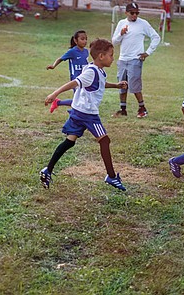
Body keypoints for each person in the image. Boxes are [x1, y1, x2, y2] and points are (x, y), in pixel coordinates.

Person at [40, 38, 128, 191]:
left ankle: (47, 170)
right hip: (88, 114)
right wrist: (54, 94)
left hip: (78, 111)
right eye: (111, 55)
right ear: (101, 56)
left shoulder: (98, 70)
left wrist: (115, 85)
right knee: (105, 141)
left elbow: (99, 83)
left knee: (69, 141)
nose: (113, 58)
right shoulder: (90, 71)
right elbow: (74, 82)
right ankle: (111, 177)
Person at [111, 2, 161, 118]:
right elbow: (114, 42)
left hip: (135, 59)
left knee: (134, 86)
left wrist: (148, 52)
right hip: (123, 59)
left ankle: (142, 108)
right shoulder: (121, 23)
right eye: (132, 13)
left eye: (137, 13)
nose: (135, 15)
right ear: (126, 13)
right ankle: (123, 109)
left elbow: (156, 37)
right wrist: (121, 34)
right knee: (122, 85)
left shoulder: (143, 24)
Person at [46, 30, 89, 113]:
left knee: (83, 99)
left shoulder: (86, 51)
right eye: (82, 39)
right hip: (75, 79)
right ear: (76, 41)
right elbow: (60, 59)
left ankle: (59, 103)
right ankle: (71, 110)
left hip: (84, 78)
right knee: (80, 100)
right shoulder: (72, 51)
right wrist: (53, 65)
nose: (85, 41)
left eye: (86, 39)